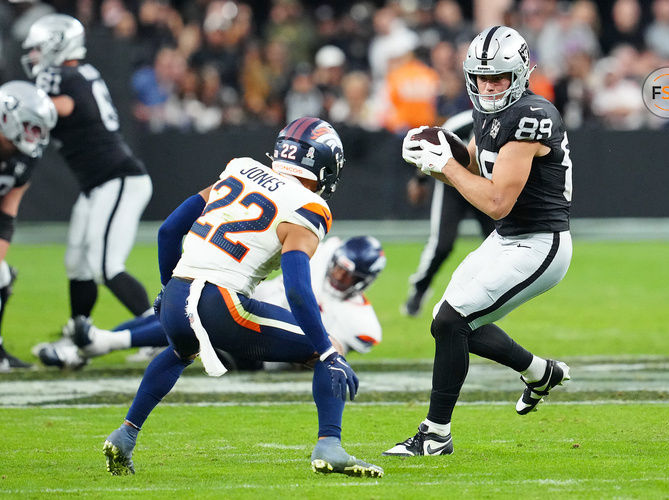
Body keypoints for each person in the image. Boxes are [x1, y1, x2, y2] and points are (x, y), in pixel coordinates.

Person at [102, 117, 383, 478]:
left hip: (179, 291)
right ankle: (330, 445)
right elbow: (297, 289)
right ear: (323, 164)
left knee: (179, 352)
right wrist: (328, 351)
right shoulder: (310, 207)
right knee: (323, 349)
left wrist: (167, 288)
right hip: (222, 301)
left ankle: (125, 435)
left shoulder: (241, 169)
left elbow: (169, 230)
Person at [383, 26, 574, 457]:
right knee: (446, 320)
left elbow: (497, 202)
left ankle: (435, 435)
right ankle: (540, 372)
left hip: (540, 244)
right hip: (510, 238)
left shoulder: (531, 116)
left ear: (520, 75)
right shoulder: (489, 112)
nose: (489, 86)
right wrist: (436, 155)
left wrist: (445, 168)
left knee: (453, 322)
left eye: (499, 78)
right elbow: (474, 162)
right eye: (482, 77)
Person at [41, 235, 386, 369]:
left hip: (264, 351)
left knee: (198, 315)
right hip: (249, 305)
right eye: (338, 269)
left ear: (365, 282)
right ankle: (89, 347)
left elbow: (326, 354)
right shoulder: (323, 249)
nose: (337, 278)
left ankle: (97, 343)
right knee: (181, 309)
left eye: (348, 276)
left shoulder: (364, 325)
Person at [21, 14, 154, 346]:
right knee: (78, 263)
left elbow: (62, 106)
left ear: (56, 44)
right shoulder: (78, 72)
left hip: (118, 178)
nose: (33, 57)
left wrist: (21, 108)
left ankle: (159, 332)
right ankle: (78, 333)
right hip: (97, 183)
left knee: (106, 265)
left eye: (37, 49)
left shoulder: (64, 76)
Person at [402, 109, 495, 317]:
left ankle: (490, 297)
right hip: (453, 185)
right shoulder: (463, 121)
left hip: (486, 184)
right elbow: (431, 144)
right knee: (442, 244)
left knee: (498, 242)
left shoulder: (509, 121)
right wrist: (420, 180)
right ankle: (419, 290)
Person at [0, 80, 57, 371]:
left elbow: (7, 212)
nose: (34, 138)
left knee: (1, 275)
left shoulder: (24, 158)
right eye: (31, 127)